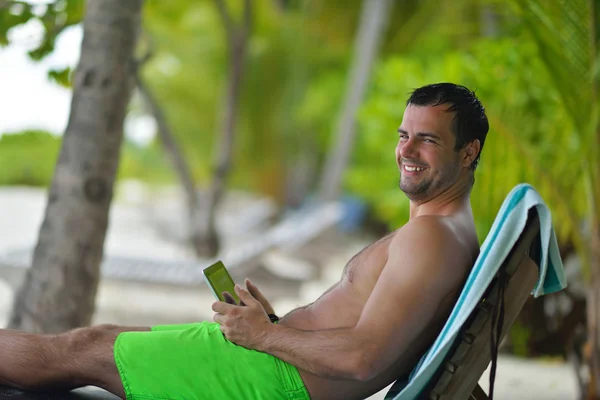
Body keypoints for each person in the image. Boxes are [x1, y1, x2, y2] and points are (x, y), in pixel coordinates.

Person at [0, 82, 488, 400]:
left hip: (268, 382)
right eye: (404, 135)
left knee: (81, 349)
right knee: (94, 342)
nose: (406, 149)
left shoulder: (430, 237)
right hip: (272, 365)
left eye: (427, 139)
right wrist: (274, 325)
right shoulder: (443, 233)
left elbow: (364, 359)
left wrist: (266, 335)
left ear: (468, 152)